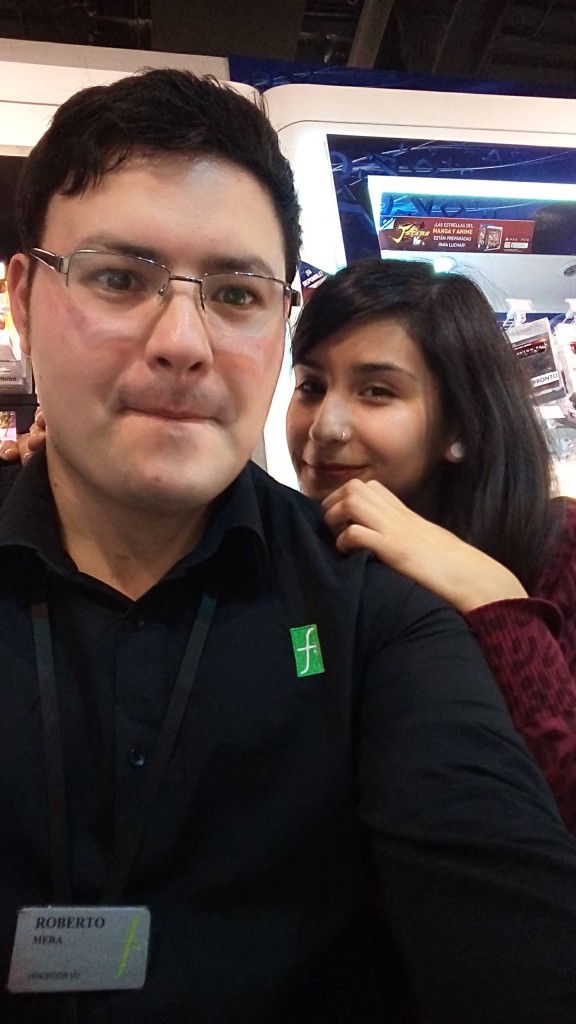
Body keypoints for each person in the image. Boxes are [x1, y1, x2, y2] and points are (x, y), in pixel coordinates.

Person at [2, 69, 576, 1024]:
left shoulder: (376, 607)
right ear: (23, 298)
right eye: (119, 278)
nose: (183, 342)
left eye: (235, 293)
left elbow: (507, 906)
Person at [287, 257, 576, 831]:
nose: (325, 427)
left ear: (460, 426)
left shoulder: (559, 550)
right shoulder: (292, 555)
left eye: (376, 392)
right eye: (311, 387)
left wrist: (493, 600)